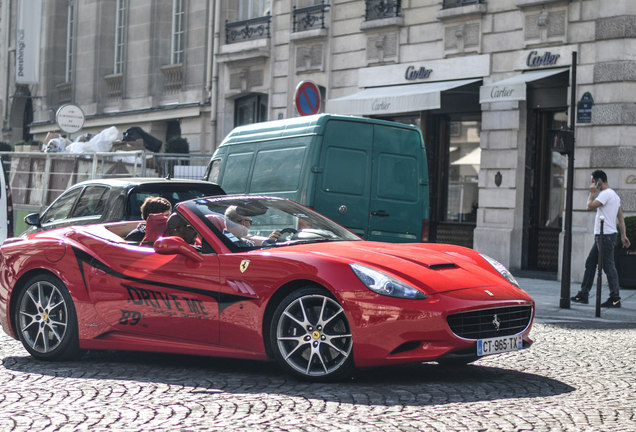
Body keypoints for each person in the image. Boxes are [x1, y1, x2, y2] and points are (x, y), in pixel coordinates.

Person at [571, 170, 631, 308]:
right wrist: (623, 235)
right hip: (606, 236)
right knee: (591, 263)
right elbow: (620, 219)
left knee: (608, 267)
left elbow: (589, 207)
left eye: (593, 181)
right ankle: (583, 294)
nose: (592, 184)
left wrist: (592, 192)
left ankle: (615, 299)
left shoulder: (605, 194)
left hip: (605, 236)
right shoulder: (614, 195)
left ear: (599, 181)